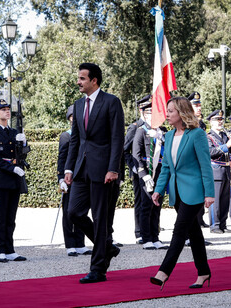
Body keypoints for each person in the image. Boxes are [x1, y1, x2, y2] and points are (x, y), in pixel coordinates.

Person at [64, 62, 125, 284]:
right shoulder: (78, 105)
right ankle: (107, 248)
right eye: (78, 78)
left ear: (94, 81)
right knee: (73, 213)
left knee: (101, 220)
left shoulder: (111, 102)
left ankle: (98, 269)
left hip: (103, 171)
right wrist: (69, 168)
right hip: (81, 169)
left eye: (82, 78)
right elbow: (75, 140)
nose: (78, 82)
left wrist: (113, 168)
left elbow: (118, 138)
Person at [151, 96, 214, 290]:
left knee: (179, 231)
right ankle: (204, 273)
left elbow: (205, 166)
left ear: (181, 112)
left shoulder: (197, 135)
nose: (167, 114)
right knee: (194, 233)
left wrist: (209, 193)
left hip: (194, 192)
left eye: (170, 111)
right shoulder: (169, 136)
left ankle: (163, 272)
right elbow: (167, 168)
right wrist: (158, 190)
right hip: (177, 192)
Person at [0, 99, 28, 263]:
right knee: (2, 216)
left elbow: (22, 154)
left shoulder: (14, 132)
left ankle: (10, 249)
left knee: (11, 216)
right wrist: (11, 168)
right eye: (3, 110)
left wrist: (24, 143)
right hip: (2, 179)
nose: (7, 112)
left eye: (8, 109)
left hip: (14, 180)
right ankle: (0, 249)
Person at [132, 99, 168, 250]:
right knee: (146, 206)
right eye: (150, 113)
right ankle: (146, 238)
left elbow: (170, 147)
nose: (153, 116)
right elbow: (136, 154)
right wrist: (144, 175)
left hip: (160, 173)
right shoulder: (141, 131)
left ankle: (155, 236)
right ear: (145, 115)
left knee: (157, 206)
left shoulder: (162, 132)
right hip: (147, 173)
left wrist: (160, 137)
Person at [57, 105, 91, 257]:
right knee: (68, 212)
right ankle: (70, 244)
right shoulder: (67, 136)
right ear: (71, 118)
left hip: (82, 178)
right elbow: (62, 158)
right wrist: (60, 178)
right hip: (69, 178)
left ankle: (80, 242)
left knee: (81, 211)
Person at [124, 95, 150, 244]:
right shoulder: (135, 127)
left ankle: (151, 230)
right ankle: (139, 231)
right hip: (138, 170)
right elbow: (125, 150)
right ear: (141, 110)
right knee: (141, 200)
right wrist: (134, 167)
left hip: (152, 169)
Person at [206, 110, 231, 234]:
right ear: (210, 122)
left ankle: (223, 224)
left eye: (221, 119)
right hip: (215, 170)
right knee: (216, 201)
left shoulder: (225, 135)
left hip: (226, 170)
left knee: (225, 200)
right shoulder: (207, 136)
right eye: (217, 120)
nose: (220, 122)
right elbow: (210, 152)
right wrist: (227, 146)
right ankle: (214, 225)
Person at [188, 91, 208, 228]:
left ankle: (199, 219)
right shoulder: (187, 123)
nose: (199, 107)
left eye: (199, 105)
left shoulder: (200, 123)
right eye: (195, 105)